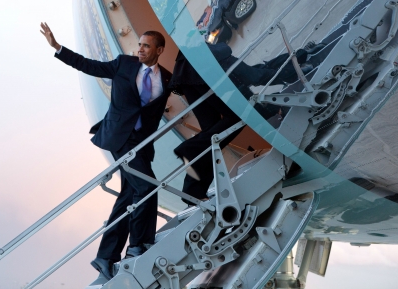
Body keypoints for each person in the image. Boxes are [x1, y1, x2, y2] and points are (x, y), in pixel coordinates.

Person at [40, 22, 173, 280]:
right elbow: (90, 65)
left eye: (147, 46)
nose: (141, 49)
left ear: (160, 49)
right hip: (120, 137)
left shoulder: (167, 78)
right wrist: (58, 48)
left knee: (129, 195)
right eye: (140, 45)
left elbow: (183, 89)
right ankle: (137, 246)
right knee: (148, 186)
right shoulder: (124, 64)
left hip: (142, 143)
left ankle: (106, 257)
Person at [171, 40, 321, 203]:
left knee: (216, 130)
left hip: (188, 71)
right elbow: (255, 80)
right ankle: (298, 60)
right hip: (202, 65)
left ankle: (192, 188)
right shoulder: (211, 58)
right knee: (250, 88)